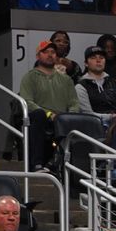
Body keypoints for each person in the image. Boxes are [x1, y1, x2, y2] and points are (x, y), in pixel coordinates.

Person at [18, 41, 80, 173]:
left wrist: (69, 116)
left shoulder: (66, 80)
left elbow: (74, 102)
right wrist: (49, 114)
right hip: (41, 118)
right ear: (38, 56)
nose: (50, 55)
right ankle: (37, 164)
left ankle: (54, 163)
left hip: (62, 118)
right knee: (39, 115)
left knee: (76, 120)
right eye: (46, 52)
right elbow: (27, 101)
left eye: (53, 52)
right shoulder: (29, 77)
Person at [75, 45, 116, 122]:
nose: (98, 60)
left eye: (101, 58)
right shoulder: (80, 87)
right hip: (93, 128)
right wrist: (111, 117)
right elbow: (87, 115)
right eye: (93, 58)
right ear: (86, 63)